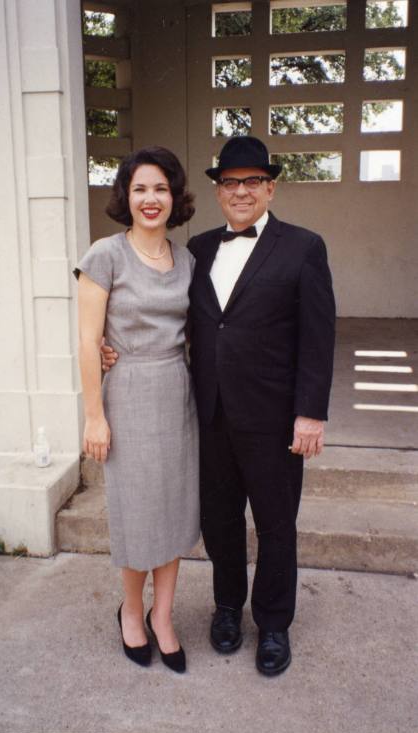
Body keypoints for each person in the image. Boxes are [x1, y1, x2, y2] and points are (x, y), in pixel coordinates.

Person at [103, 135, 336, 677]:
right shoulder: (197, 251)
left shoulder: (304, 247)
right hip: (206, 415)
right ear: (217, 191)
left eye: (252, 181)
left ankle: (274, 623)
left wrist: (311, 412)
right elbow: (149, 309)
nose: (240, 191)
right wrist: (103, 344)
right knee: (221, 521)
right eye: (230, 182)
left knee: (277, 524)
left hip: (276, 418)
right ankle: (228, 608)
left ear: (270, 188)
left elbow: (318, 337)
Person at [74, 146, 199, 674]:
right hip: (127, 393)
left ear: (175, 197)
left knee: (174, 509)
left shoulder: (187, 258)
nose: (151, 199)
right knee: (135, 513)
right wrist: (94, 414)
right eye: (140, 188)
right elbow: (86, 340)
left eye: (161, 188)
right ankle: (130, 610)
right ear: (126, 196)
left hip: (177, 391)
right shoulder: (105, 254)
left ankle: (163, 616)